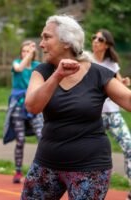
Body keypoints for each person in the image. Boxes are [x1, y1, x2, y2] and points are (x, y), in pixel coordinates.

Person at [21, 14, 131, 200]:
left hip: (91, 168)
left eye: (47, 37)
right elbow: (32, 106)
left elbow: (128, 100)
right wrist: (57, 75)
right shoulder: (41, 72)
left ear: (66, 42)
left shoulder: (99, 74)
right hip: (47, 164)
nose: (40, 44)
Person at [91, 29, 131, 200]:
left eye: (99, 39)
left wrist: (124, 82)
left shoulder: (112, 64)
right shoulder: (86, 61)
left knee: (130, 147)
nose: (95, 41)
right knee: (92, 154)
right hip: (94, 116)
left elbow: (119, 85)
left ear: (106, 44)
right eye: (93, 37)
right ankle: (90, 190)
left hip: (113, 114)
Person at [3, 40, 43, 184]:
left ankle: (41, 171)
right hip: (18, 106)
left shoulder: (37, 66)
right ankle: (18, 171)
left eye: (29, 51)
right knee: (20, 140)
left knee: (42, 137)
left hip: (33, 104)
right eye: (24, 51)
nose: (26, 53)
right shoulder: (16, 63)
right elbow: (19, 68)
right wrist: (30, 54)